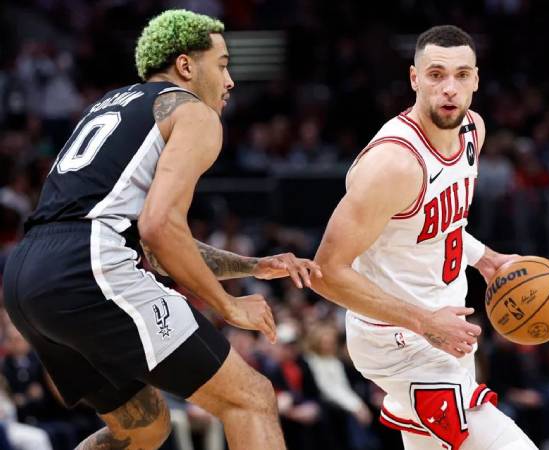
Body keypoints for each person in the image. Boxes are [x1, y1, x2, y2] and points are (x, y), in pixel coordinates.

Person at [2, 10, 321, 450]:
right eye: (223, 64)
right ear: (187, 66)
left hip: (27, 274)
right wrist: (226, 305)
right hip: (88, 265)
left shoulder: (112, 103)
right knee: (251, 398)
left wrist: (252, 265)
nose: (230, 81)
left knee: (143, 427)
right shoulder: (193, 112)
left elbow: (145, 241)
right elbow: (158, 227)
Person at [311, 25, 537, 450]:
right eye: (435, 75)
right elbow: (325, 273)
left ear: (475, 79)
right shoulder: (393, 164)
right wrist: (424, 324)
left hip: (444, 326)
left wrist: (485, 258)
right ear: (414, 79)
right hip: (398, 339)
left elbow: (436, 229)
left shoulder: (473, 131)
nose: (449, 88)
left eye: (460, 75)